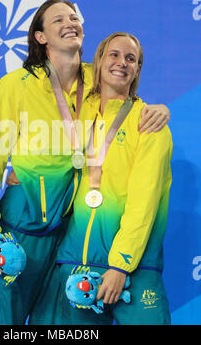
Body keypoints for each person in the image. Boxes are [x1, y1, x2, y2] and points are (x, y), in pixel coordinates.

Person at [0, 0, 170, 325]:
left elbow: (127, 99)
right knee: (2, 319)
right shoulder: (16, 87)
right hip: (21, 228)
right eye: (58, 19)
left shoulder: (97, 80)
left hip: (68, 236)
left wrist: (161, 110)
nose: (70, 22)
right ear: (40, 37)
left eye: (74, 17)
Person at [28, 32, 173, 325]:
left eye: (131, 58)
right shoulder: (78, 118)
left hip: (134, 268)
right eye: (115, 55)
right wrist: (22, 174)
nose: (122, 63)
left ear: (137, 70)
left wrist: (120, 266)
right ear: (99, 62)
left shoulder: (149, 124)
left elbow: (144, 203)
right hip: (75, 264)